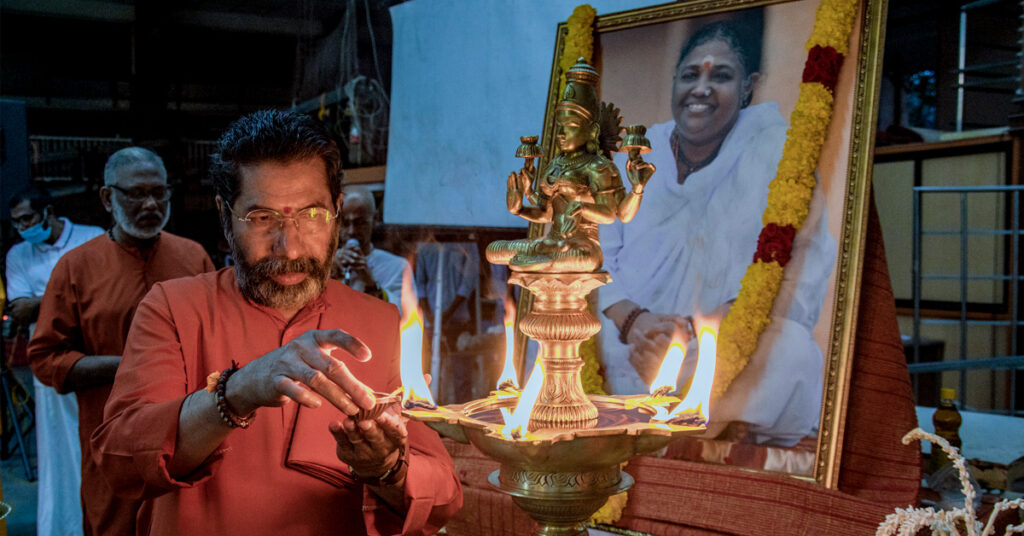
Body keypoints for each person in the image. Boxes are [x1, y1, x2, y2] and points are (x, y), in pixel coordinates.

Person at [91, 110, 461, 535]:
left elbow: (444, 496)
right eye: (262, 218)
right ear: (224, 216)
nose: (289, 247)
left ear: (337, 210)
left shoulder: (377, 320)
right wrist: (238, 391)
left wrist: (388, 470)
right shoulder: (173, 309)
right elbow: (120, 461)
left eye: (312, 214)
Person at [598, 20, 837, 447]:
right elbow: (594, 257)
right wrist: (634, 321)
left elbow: (800, 271)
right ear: (674, 81)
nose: (701, 89)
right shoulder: (635, 157)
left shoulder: (780, 156)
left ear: (750, 86)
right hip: (625, 337)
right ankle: (704, 420)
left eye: (721, 76)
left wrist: (694, 330)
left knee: (794, 351)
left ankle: (694, 417)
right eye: (691, 75)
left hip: (717, 343)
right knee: (561, 326)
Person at [29, 147, 215, 535]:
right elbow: (46, 358)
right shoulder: (76, 267)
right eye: (135, 193)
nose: (150, 203)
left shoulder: (193, 257)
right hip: (111, 442)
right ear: (107, 198)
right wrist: (125, 366)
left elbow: (218, 342)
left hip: (187, 439)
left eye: (159, 192)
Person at [5, 185, 103, 536]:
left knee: (98, 439)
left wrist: (42, 301)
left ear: (48, 212)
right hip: (50, 360)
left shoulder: (92, 239)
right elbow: (19, 308)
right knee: (57, 449)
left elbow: (101, 297)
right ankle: (64, 527)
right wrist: (71, 295)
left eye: (27, 218)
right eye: (17, 222)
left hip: (96, 354)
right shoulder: (19, 254)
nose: (22, 227)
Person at [332, 186, 417, 320]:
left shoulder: (397, 267)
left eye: (359, 223)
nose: (351, 231)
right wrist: (329, 271)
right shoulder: (326, 264)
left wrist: (371, 284)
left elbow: (406, 317)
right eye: (345, 223)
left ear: (375, 219)